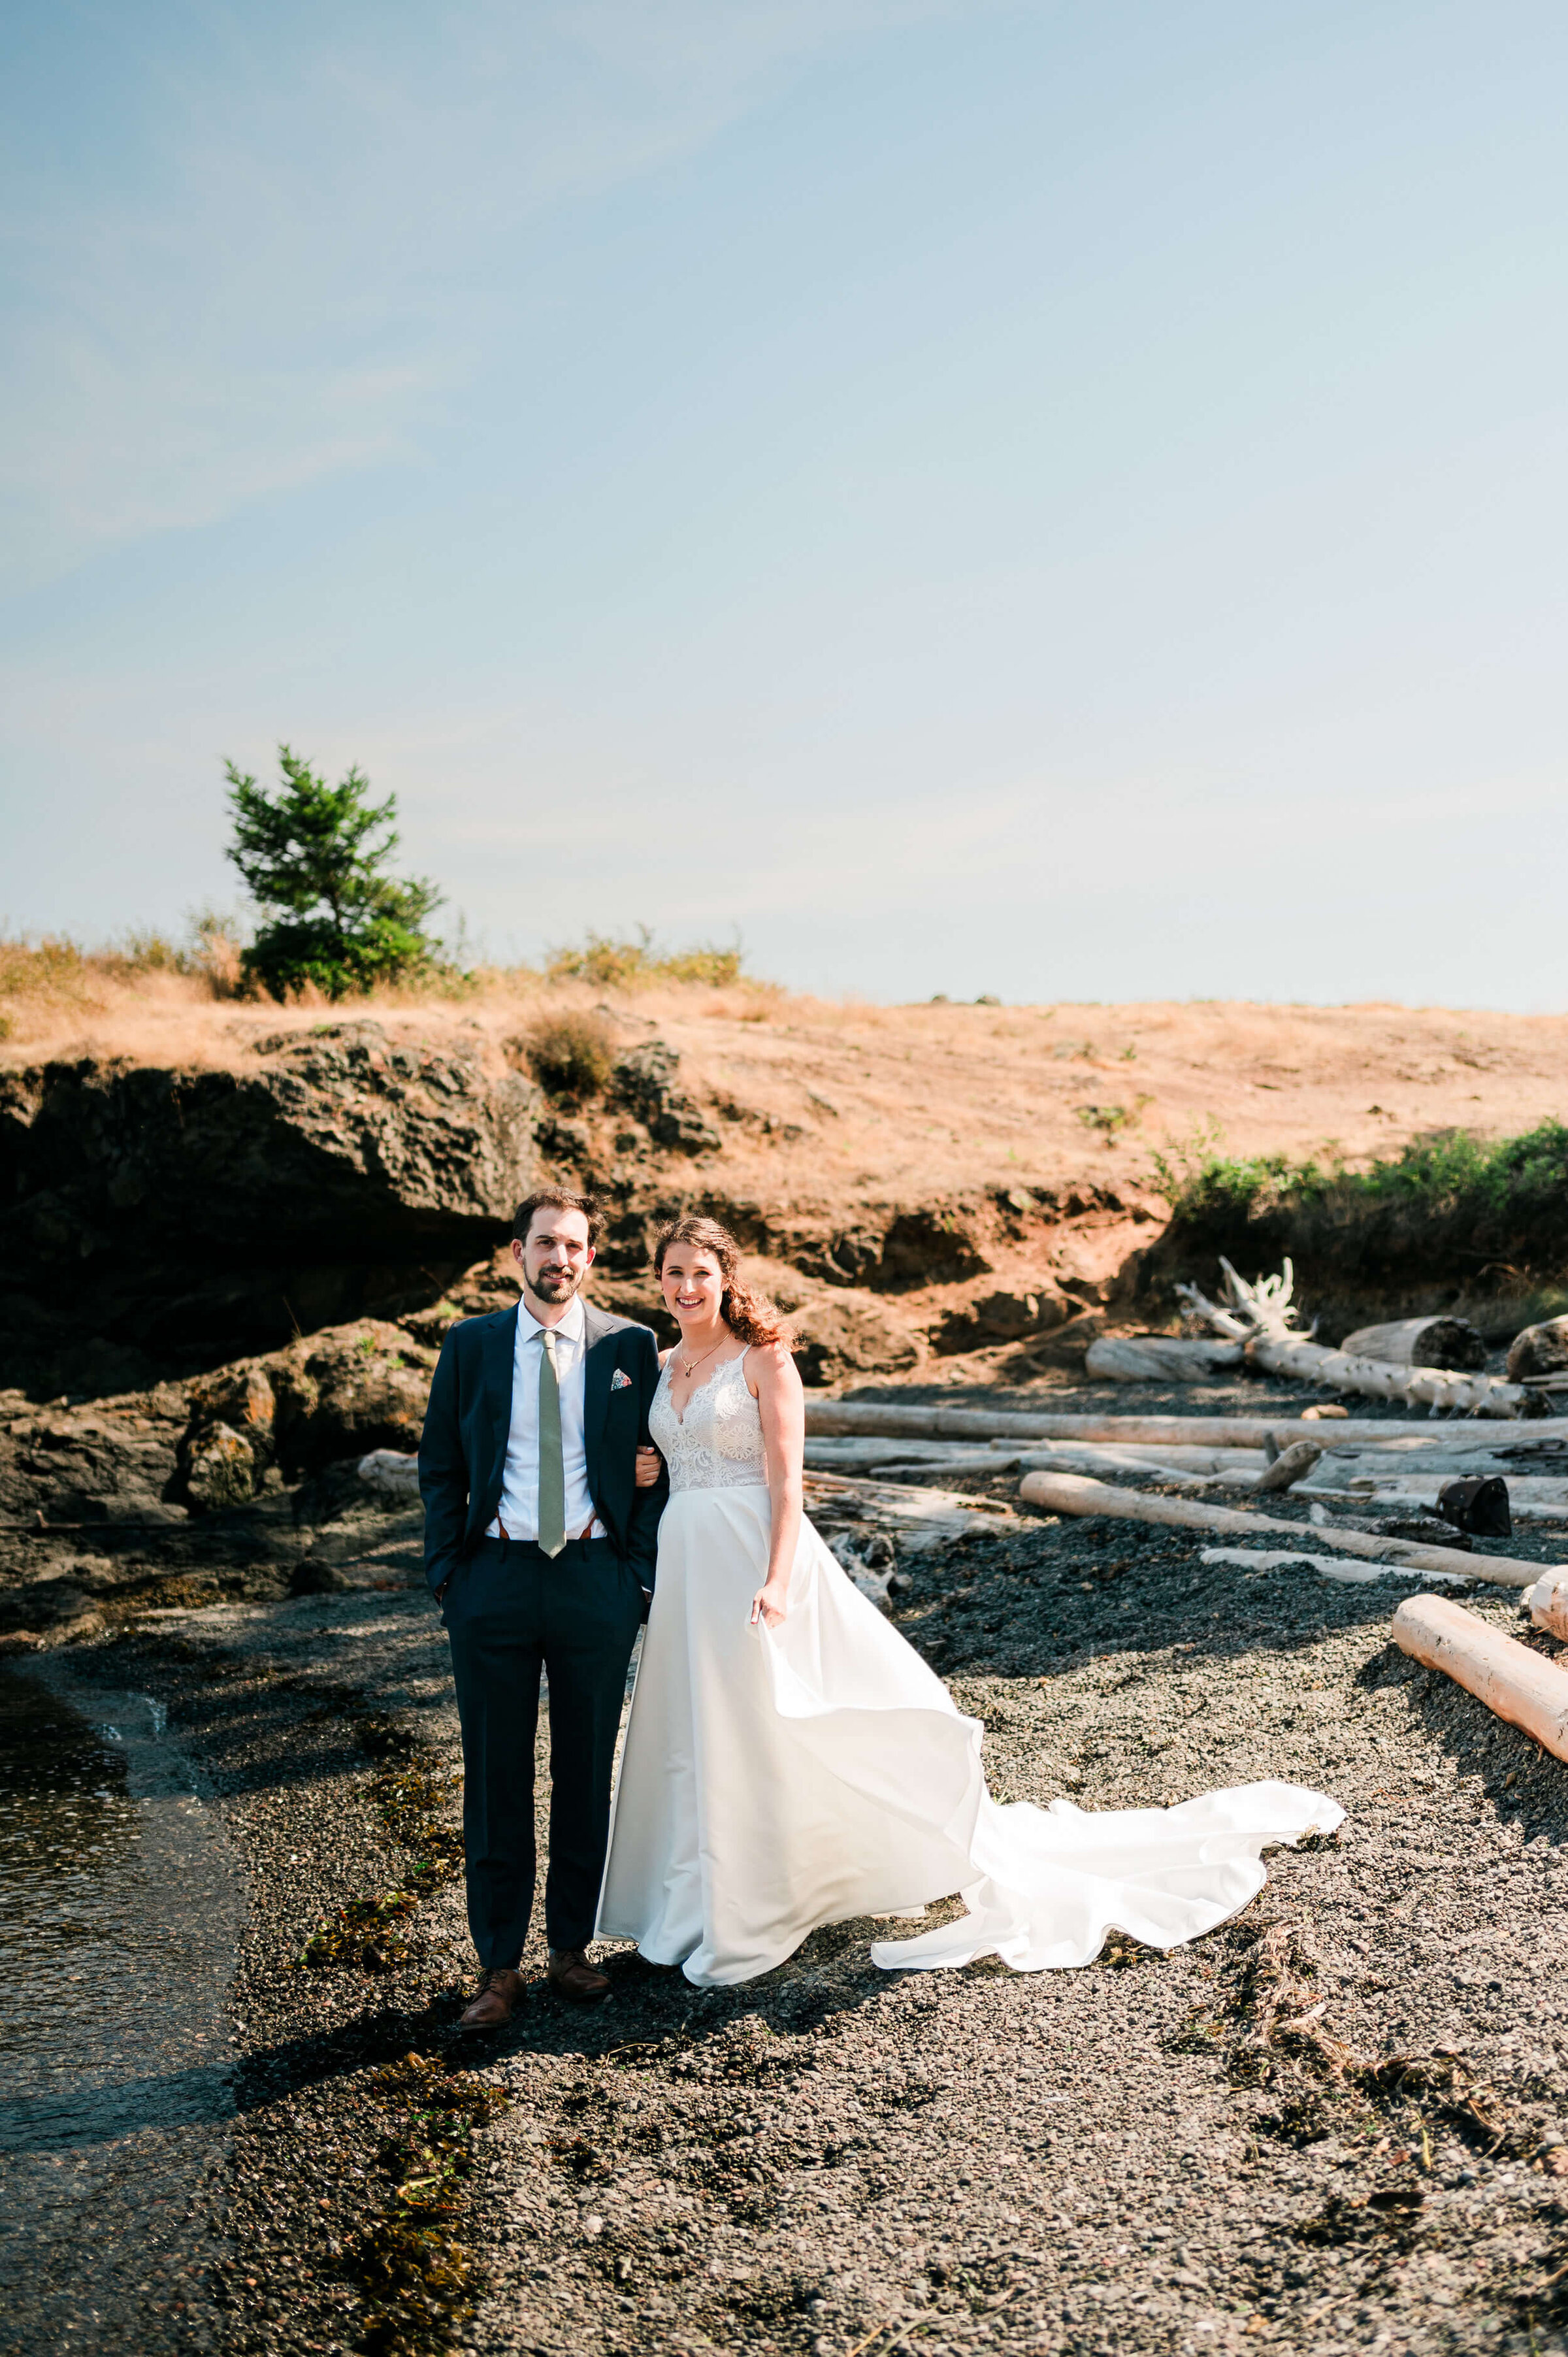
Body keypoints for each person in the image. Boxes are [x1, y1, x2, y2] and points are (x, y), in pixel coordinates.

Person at [598, 1215, 1342, 1987]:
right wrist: (649, 1474)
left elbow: (790, 1481)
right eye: (674, 1274)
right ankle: (699, 1892)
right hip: (686, 1559)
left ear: (726, 1278)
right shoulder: (657, 1364)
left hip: (752, 1547)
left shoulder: (765, 1358)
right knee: (703, 1725)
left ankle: (762, 1897)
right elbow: (658, 1457)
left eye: (700, 1274)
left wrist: (778, 1577)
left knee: (780, 1712)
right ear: (659, 1281)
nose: (687, 1288)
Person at [418, 1187, 666, 2030]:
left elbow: (666, 1462)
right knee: (495, 1777)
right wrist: (448, 1575)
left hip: (596, 1582)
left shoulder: (632, 1346)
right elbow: (441, 1467)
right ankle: (497, 1967)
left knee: (585, 1770)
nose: (561, 1258)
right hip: (493, 1581)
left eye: (576, 1245)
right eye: (546, 1243)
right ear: (517, 1252)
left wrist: (636, 1576)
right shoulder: (471, 1345)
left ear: (591, 1258)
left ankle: (569, 1947)